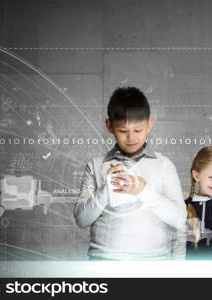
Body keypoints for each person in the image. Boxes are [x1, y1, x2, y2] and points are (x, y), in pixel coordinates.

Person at [74, 86, 186, 260]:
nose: (131, 138)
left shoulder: (164, 166)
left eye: (138, 130)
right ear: (109, 126)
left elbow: (180, 219)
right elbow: (81, 219)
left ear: (149, 124)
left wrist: (144, 190)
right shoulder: (95, 166)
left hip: (153, 263)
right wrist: (106, 189)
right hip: (105, 263)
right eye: (123, 131)